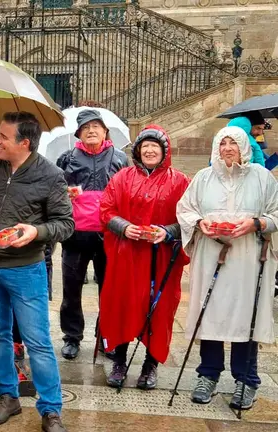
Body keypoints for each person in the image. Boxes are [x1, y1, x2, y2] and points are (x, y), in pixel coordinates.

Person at [0, 112, 73, 432]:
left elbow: (65, 224)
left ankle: (50, 409)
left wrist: (36, 232)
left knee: (38, 342)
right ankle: (8, 395)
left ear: (24, 143)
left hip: (25, 269)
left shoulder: (51, 175)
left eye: (4, 137)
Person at [177, 126, 278, 410]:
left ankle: (246, 380)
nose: (228, 148)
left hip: (248, 257)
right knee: (211, 312)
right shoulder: (203, 177)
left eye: (234, 142)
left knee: (246, 315)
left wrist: (256, 223)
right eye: (223, 143)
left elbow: (276, 212)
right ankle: (208, 375)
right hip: (211, 254)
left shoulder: (262, 178)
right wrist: (200, 223)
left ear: (244, 146)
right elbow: (185, 209)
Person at [99, 125, 190, 390]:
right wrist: (124, 227)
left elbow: (187, 217)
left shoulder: (180, 180)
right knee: (124, 305)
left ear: (165, 151)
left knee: (159, 310)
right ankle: (119, 360)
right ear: (138, 150)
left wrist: (166, 231)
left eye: (155, 146)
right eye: (145, 146)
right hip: (127, 256)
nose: (150, 150)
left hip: (162, 258)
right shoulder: (122, 177)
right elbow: (106, 210)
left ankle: (150, 364)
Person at [56, 109, 128, 360]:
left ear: (106, 131)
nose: (92, 130)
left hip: (110, 235)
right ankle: (72, 337)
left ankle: (106, 337)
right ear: (78, 132)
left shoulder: (120, 158)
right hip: (75, 235)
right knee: (71, 290)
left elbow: (128, 193)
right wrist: (65, 193)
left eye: (97, 126)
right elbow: (55, 192)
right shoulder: (66, 159)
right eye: (86, 127)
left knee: (108, 291)